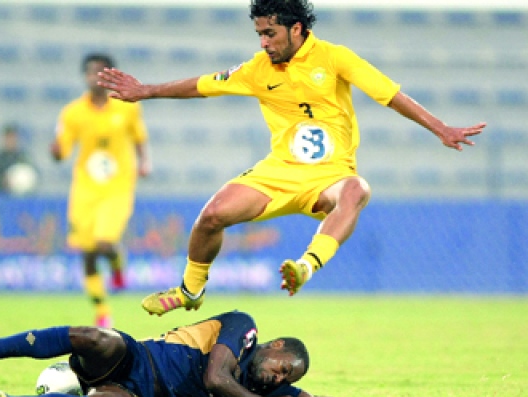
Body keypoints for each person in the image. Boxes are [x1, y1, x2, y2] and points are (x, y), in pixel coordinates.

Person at [97, 0, 487, 316]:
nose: (263, 43)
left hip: (329, 175)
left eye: (270, 33)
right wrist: (146, 91)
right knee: (211, 216)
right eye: (259, 34)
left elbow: (388, 94)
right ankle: (190, 290)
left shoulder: (334, 58)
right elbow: (201, 85)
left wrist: (440, 128)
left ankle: (305, 266)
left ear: (296, 28)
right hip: (278, 173)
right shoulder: (256, 69)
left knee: (357, 190)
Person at [0, 310, 339, 397]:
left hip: (141, 396)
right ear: (275, 346)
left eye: (286, 379)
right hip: (139, 359)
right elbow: (215, 379)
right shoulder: (243, 328)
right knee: (97, 338)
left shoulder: (267, 389)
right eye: (283, 369)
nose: (279, 378)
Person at [51, 53, 151, 328]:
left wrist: (144, 162)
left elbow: (139, 137)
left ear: (110, 75)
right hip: (85, 190)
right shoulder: (73, 113)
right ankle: (102, 311)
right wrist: (55, 150)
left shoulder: (127, 107)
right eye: (89, 72)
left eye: (100, 72)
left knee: (104, 243)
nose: (94, 77)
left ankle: (117, 264)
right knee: (88, 252)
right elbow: (61, 151)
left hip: (117, 187)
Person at [0, 124, 37, 195]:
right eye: (8, 138)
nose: (11, 141)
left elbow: (33, 175)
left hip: (21, 198)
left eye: (13, 138)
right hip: (1, 197)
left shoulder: (23, 157)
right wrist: (3, 181)